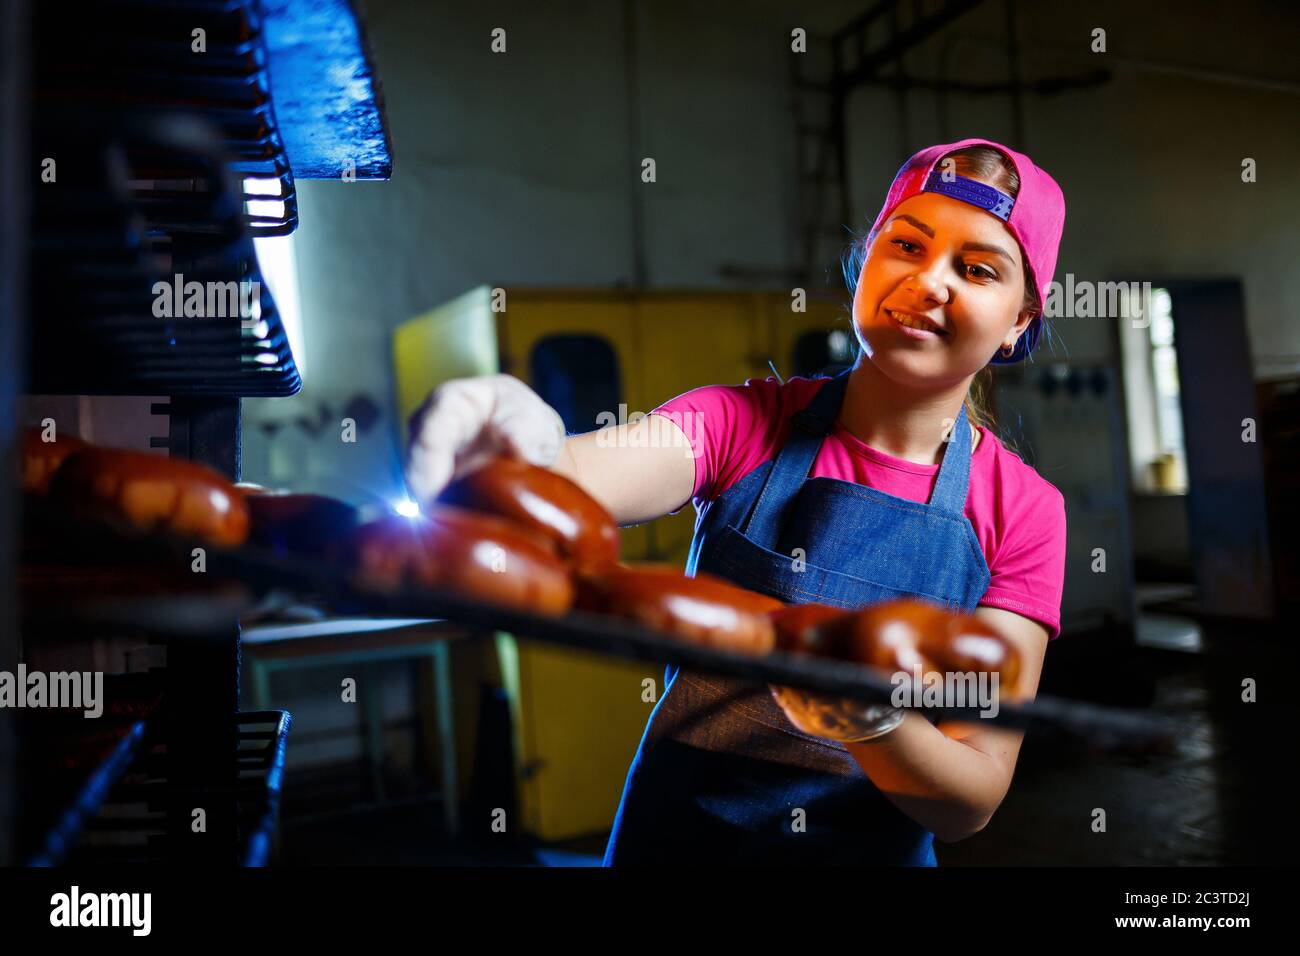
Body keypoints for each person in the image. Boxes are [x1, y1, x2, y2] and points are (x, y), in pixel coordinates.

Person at [405, 137, 1068, 866]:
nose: (930, 281)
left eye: (977, 269)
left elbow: (969, 801)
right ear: (865, 262)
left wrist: (872, 725)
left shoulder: (1024, 512)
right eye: (907, 244)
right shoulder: (739, 424)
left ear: (1018, 322)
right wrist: (521, 444)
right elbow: (573, 475)